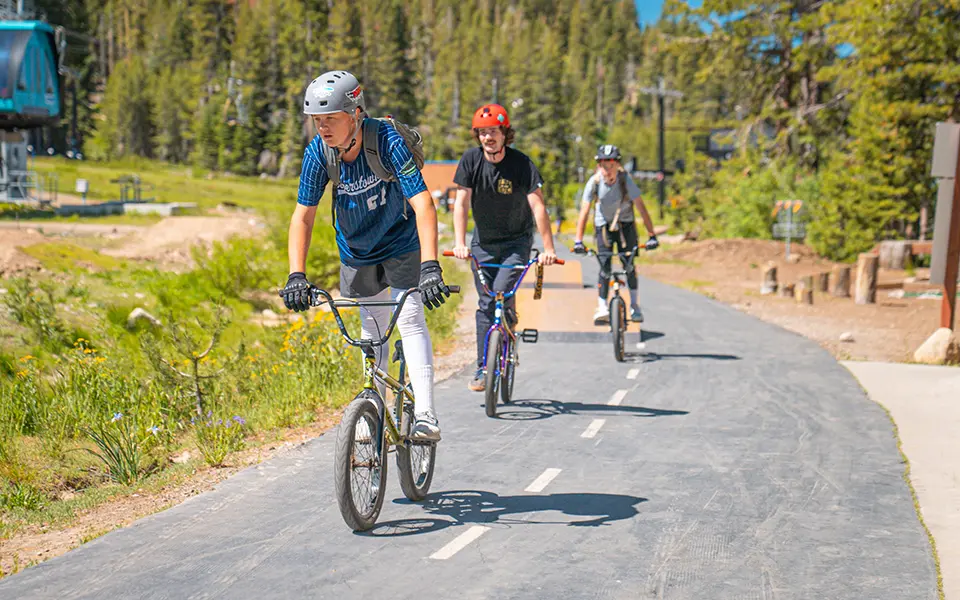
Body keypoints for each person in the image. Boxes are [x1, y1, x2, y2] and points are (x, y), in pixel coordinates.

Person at [280, 70, 449, 441]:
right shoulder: (318, 153)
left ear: (355, 113)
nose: (322, 128)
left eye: (330, 119)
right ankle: (375, 412)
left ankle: (425, 414)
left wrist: (430, 266)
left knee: (409, 321)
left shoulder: (386, 139)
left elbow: (423, 203)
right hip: (357, 249)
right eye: (316, 121)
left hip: (401, 243)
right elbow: (303, 216)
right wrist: (296, 274)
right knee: (371, 332)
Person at [451, 103, 558, 392]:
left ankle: (507, 321)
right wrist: (460, 243)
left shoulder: (521, 164)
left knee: (501, 291)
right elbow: (461, 204)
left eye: (493, 132)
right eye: (483, 133)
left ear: (504, 134)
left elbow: (538, 205)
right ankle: (482, 368)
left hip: (516, 243)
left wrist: (548, 248)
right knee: (486, 303)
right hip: (483, 244)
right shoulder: (471, 161)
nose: (488, 138)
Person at [573, 144, 659, 325]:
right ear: (599, 166)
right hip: (603, 225)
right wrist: (578, 241)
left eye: (611, 165)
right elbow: (584, 211)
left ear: (617, 165)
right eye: (604, 165)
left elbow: (642, 208)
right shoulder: (594, 182)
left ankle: (635, 305)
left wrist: (652, 235)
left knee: (628, 264)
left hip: (625, 224)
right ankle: (602, 306)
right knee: (604, 265)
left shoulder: (626, 181)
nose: (607, 170)